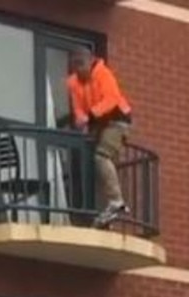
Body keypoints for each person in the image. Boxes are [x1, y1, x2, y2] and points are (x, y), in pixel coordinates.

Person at [67, 49, 132, 229]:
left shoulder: (103, 74)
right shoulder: (73, 83)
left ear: (91, 61)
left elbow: (111, 99)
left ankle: (116, 201)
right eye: (75, 65)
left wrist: (91, 116)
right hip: (97, 123)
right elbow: (78, 107)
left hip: (117, 120)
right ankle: (104, 211)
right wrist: (81, 119)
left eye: (82, 63)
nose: (79, 69)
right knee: (94, 163)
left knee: (102, 156)